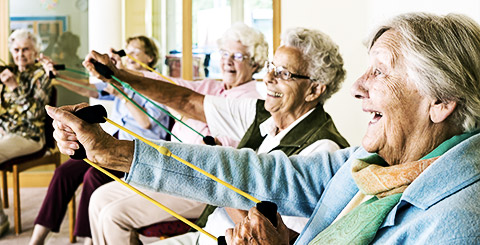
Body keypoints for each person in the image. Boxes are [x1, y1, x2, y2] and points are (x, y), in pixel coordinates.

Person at [50, 12, 480, 244]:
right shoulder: (371, 162)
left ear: (440, 102)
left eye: (380, 73)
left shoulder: (459, 224)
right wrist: (115, 152)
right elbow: (261, 172)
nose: (358, 88)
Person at [87, 27, 349, 245]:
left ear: (314, 90)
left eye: (283, 74)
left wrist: (221, 181)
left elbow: (278, 237)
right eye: (271, 67)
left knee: (113, 214)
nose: (268, 78)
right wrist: (119, 76)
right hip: (206, 233)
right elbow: (187, 100)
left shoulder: (322, 149)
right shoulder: (260, 113)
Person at [87, 23, 269, 245]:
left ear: (255, 63)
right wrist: (119, 74)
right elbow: (168, 86)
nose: (228, 60)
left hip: (201, 185)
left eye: (238, 55)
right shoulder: (212, 87)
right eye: (224, 53)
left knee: (112, 215)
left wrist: (123, 76)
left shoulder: (251, 103)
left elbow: (222, 153)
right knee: (98, 199)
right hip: (168, 170)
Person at [28, 35, 171, 245]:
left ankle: (88, 239)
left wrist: (122, 94)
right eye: (126, 50)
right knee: (64, 172)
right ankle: (37, 238)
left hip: (142, 150)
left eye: (135, 51)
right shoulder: (124, 81)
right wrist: (58, 77)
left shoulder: (157, 85)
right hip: (119, 138)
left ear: (150, 57)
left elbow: (146, 123)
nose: (128, 55)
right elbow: (89, 89)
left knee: (93, 176)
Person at [0, 29, 56, 237]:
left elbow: (36, 114)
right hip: (6, 135)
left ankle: (0, 221)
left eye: (26, 49)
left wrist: (14, 87)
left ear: (35, 51)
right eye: (16, 49)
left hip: (30, 136)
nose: (20, 54)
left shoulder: (41, 75)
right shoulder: (9, 71)